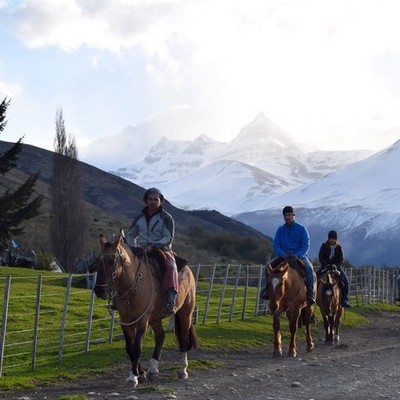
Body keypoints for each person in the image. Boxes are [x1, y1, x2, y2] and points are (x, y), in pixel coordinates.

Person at [126, 187, 179, 315]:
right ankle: (119, 298)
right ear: (146, 200)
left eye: (156, 199)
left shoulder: (166, 218)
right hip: (141, 250)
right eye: (150, 199)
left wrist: (154, 246)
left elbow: (168, 237)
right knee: (124, 266)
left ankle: (171, 301)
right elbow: (130, 234)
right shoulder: (139, 217)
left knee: (171, 267)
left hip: (162, 250)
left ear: (161, 201)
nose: (153, 201)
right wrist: (133, 247)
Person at [260, 206, 315, 305]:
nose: (287, 217)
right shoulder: (280, 230)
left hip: (299, 256)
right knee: (268, 268)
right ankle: (268, 290)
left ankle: (310, 294)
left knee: (309, 269)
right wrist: (282, 254)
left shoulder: (302, 229)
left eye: (289, 215)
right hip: (283, 256)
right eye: (285, 215)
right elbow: (276, 244)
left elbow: (306, 245)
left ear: (294, 216)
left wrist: (298, 255)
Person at [317, 230, 352, 308]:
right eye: (330, 238)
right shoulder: (324, 246)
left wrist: (335, 266)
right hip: (325, 266)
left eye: (333, 238)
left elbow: (341, 259)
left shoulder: (339, 248)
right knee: (315, 277)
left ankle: (345, 299)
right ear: (328, 239)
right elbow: (321, 257)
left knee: (345, 281)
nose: (332, 240)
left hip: (337, 268)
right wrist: (326, 265)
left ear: (336, 239)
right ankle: (313, 296)